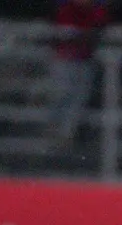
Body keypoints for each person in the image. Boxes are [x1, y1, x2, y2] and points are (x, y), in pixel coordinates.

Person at [48, 0, 108, 145]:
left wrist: (86, 36)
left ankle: (67, 134)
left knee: (81, 97)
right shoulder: (67, 9)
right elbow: (64, 33)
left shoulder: (96, 11)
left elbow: (99, 27)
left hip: (84, 60)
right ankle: (53, 127)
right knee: (62, 93)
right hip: (64, 60)